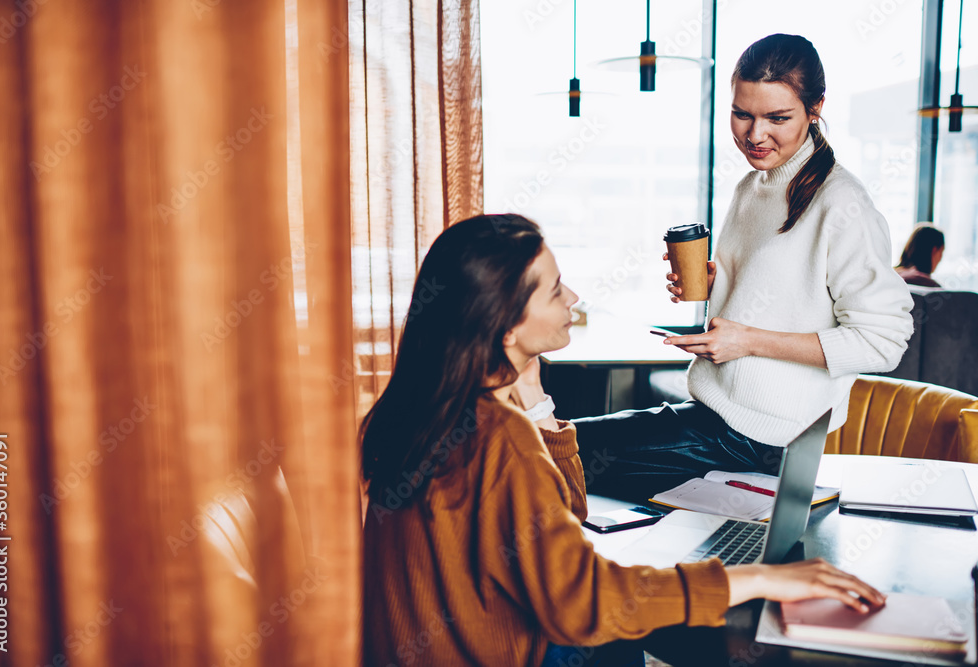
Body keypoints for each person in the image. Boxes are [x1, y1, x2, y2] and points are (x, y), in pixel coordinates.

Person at [361, 214, 886, 667]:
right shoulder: (500, 438)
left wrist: (534, 395)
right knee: (620, 626)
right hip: (497, 652)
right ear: (505, 329)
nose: (573, 297)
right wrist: (757, 580)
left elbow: (563, 512)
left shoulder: (424, 408)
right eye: (554, 289)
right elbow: (583, 602)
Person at [571, 34, 915, 501]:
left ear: (816, 108)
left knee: (556, 455)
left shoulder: (842, 205)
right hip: (715, 416)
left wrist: (747, 341)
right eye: (742, 114)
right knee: (556, 450)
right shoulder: (752, 186)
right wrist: (723, 281)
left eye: (778, 118)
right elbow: (786, 288)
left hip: (760, 443)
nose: (755, 135)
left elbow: (883, 342)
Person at [895, 223, 945, 287]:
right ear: (934, 251)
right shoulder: (930, 286)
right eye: (941, 252)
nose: (940, 259)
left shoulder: (890, 274)